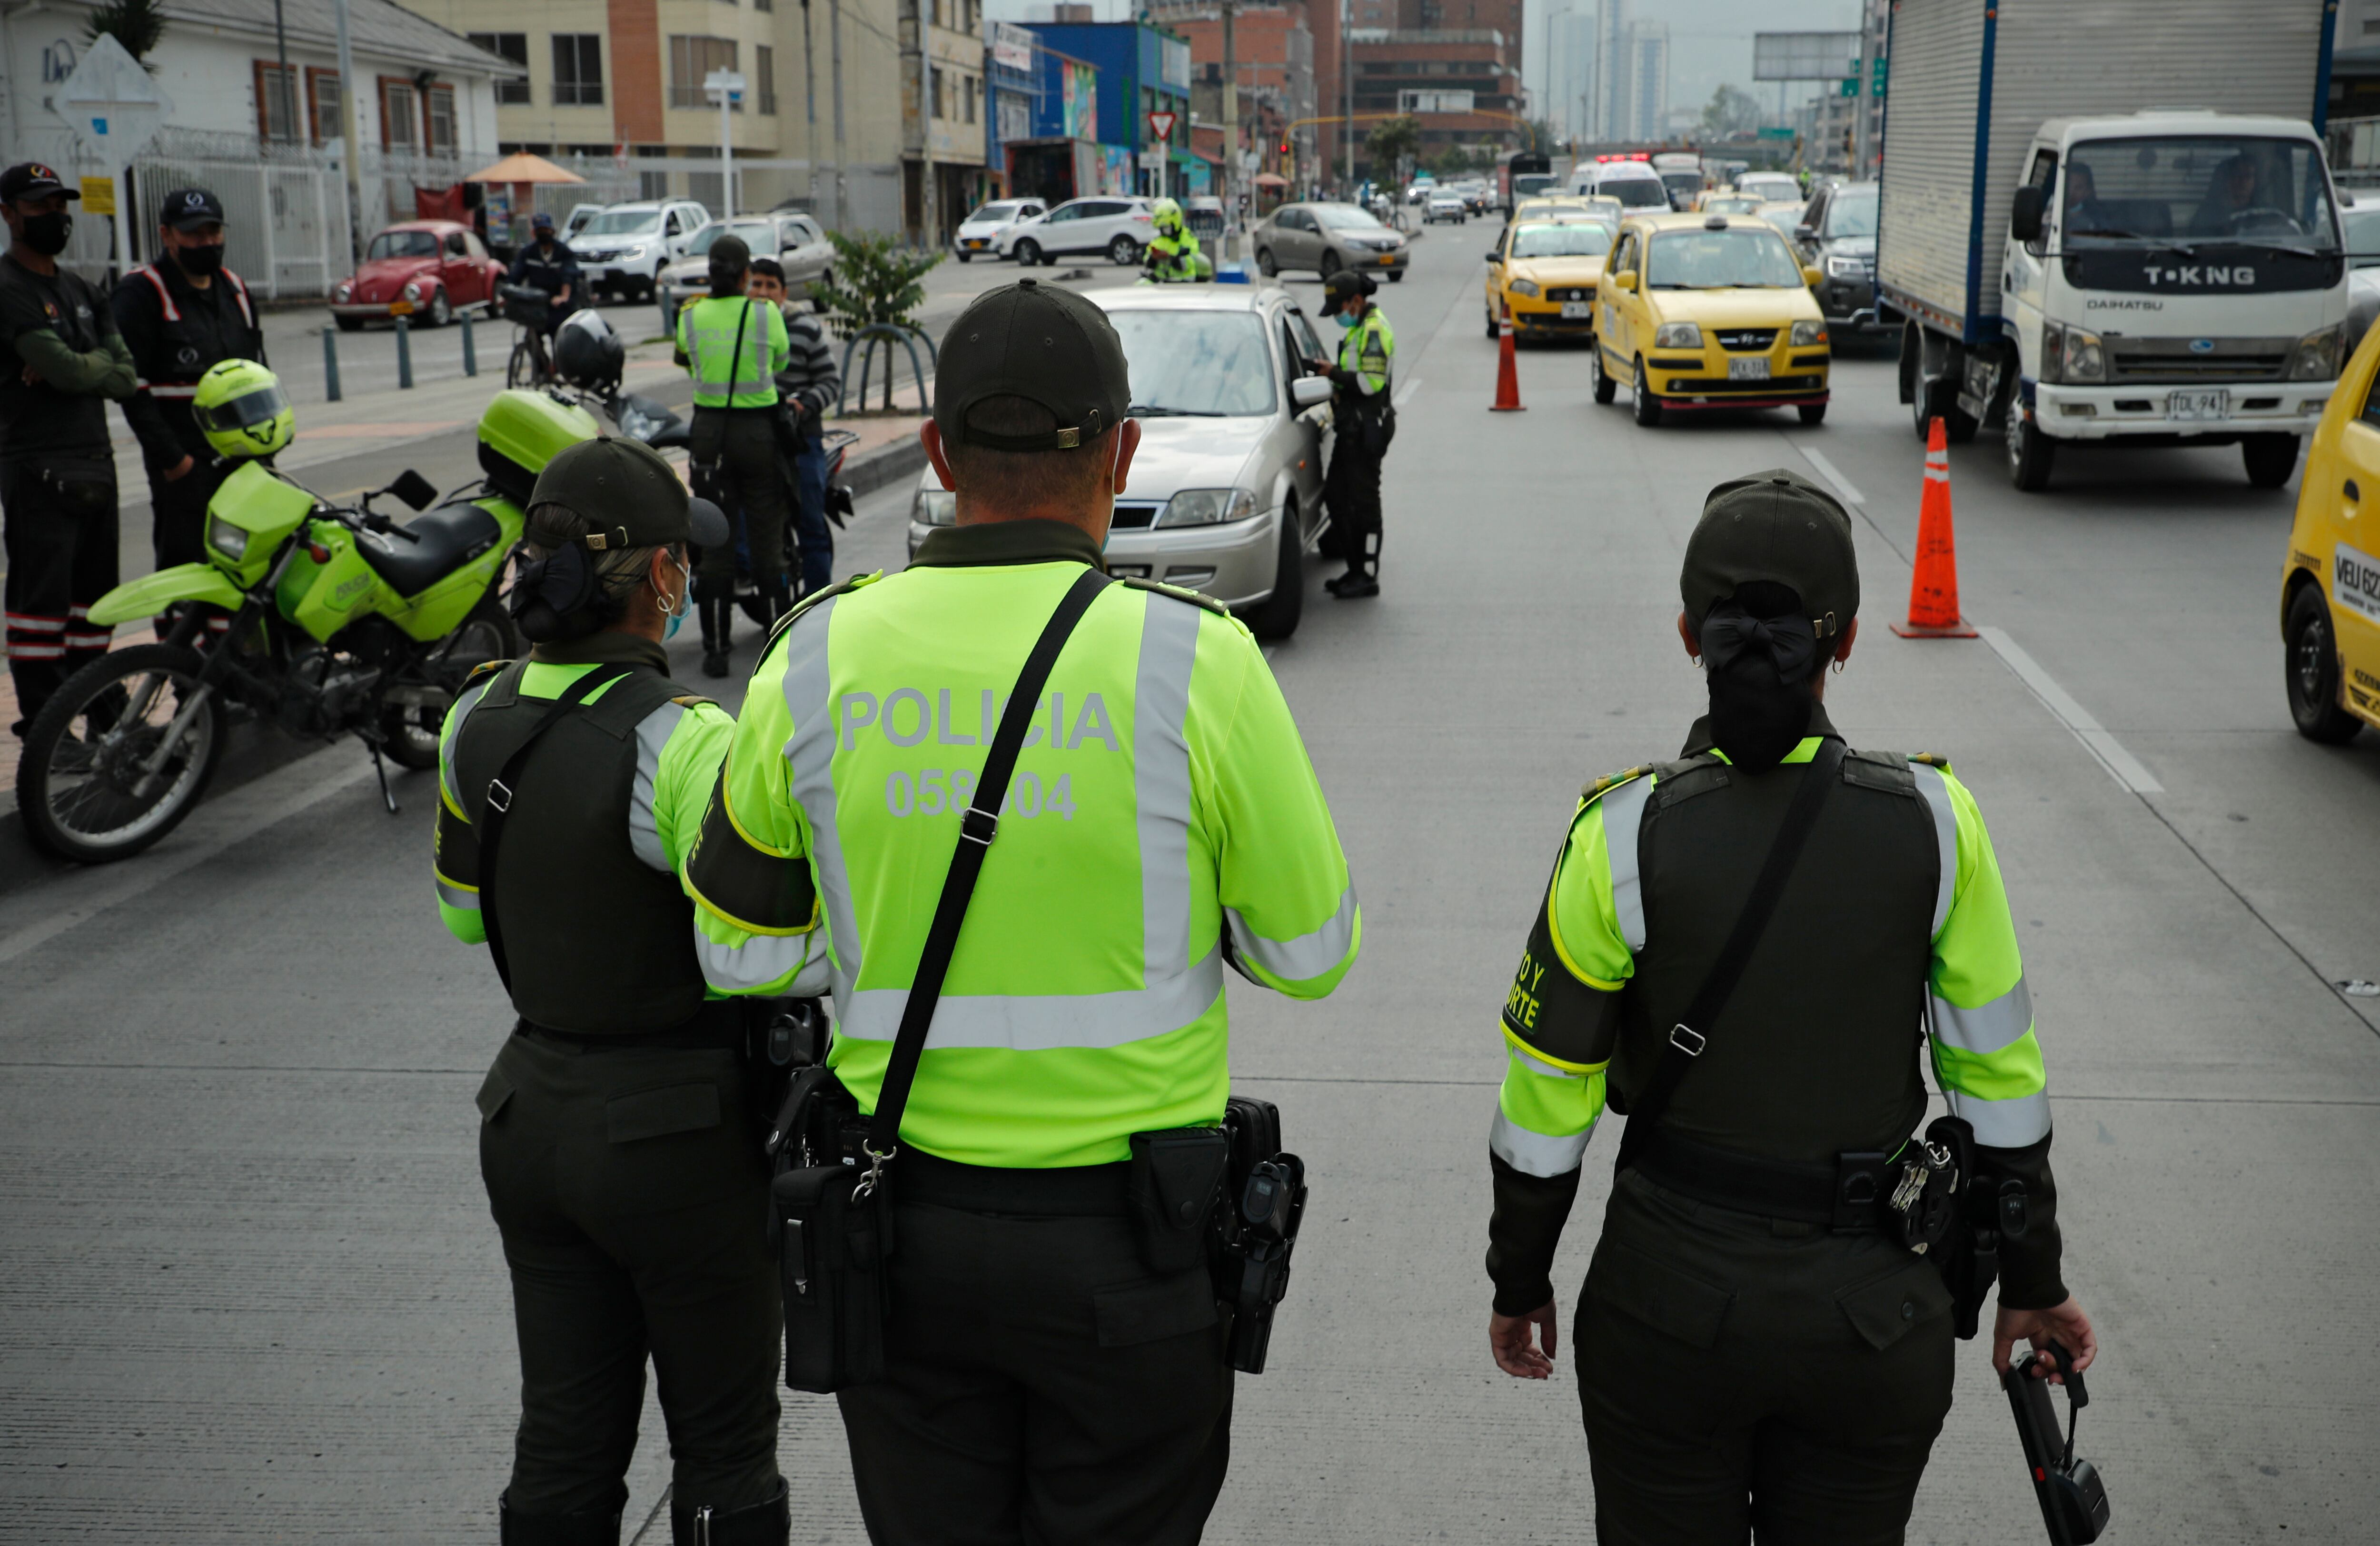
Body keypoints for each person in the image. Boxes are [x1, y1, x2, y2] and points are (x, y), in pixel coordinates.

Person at [682, 277, 1361, 1545]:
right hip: (1133, 1254)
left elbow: (738, 947)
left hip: (899, 1233)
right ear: (1123, 451)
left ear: (935, 453)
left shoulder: (814, 655)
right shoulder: (1198, 660)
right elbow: (1309, 953)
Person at [1482, 469, 2096, 1546]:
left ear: (1687, 631)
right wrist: (2033, 1279)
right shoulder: (1938, 824)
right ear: (1848, 639)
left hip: (1664, 1305)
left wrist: (1520, 1275)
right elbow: (1997, 1080)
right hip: (1871, 1317)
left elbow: (1546, 1104)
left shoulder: (1620, 832)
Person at [430, 436, 791, 1546]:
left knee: (564, 1435)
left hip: (527, 1118)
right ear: (667, 580)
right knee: (724, 1447)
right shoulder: (685, 743)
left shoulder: (472, 715)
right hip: (675, 1136)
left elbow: (463, 911)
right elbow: (768, 947)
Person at [0, 162, 136, 735]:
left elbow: (122, 376)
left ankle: (103, 714)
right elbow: (74, 371)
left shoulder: (82, 289)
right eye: (40, 208)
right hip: (36, 466)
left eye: (60, 207)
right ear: (9, 214)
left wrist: (79, 367)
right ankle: (45, 728)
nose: (55, 218)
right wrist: (78, 368)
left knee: (93, 607)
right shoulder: (9, 289)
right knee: (40, 608)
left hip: (95, 461)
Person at [112, 188, 267, 573]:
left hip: (245, 463)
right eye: (194, 234)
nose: (207, 242)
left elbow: (260, 376)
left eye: (214, 232)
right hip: (185, 465)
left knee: (247, 570)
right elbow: (133, 388)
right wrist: (175, 463)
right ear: (167, 235)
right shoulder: (142, 292)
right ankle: (177, 635)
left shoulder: (236, 290)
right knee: (188, 570)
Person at [673, 233, 791, 677]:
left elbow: (686, 362)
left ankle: (715, 652)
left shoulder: (690, 316)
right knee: (768, 542)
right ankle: (776, 645)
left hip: (708, 438)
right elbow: (781, 362)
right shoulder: (765, 315)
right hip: (759, 435)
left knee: (714, 543)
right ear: (746, 275)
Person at [746, 257, 841, 599]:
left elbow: (831, 380)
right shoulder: (740, 330)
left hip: (802, 441)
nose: (763, 292)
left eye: (771, 286)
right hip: (756, 442)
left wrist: (805, 404)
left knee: (811, 524)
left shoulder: (805, 327)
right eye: (756, 284)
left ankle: (816, 605)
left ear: (784, 293)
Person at [1309, 269, 1394, 600]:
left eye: (1340, 309)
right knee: (1337, 498)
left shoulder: (1374, 329)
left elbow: (1370, 383)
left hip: (1367, 429)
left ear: (1356, 301)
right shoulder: (1360, 326)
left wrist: (1334, 374)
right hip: (1351, 428)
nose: (1338, 317)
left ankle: (1366, 575)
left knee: (1365, 504)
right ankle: (1354, 567)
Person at [507, 211, 581, 336]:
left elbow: (568, 276)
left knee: (557, 332)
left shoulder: (563, 251)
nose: (543, 233)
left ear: (552, 231)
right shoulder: (528, 253)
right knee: (531, 335)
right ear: (534, 233)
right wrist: (508, 292)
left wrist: (564, 297)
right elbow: (516, 275)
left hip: (558, 303)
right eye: (539, 230)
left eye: (546, 230)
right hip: (537, 303)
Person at [1141, 197, 1202, 282]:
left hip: (1185, 285)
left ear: (1175, 223)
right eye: (1161, 229)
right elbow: (1147, 260)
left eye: (1166, 228)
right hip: (1161, 285)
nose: (1163, 231)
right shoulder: (1159, 241)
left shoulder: (1189, 239)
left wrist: (1172, 258)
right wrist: (1152, 259)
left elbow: (1194, 262)